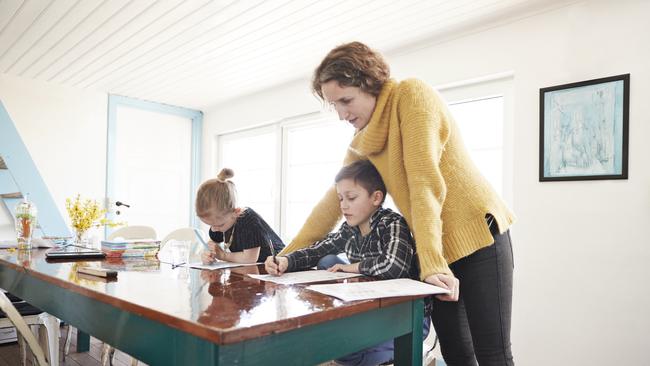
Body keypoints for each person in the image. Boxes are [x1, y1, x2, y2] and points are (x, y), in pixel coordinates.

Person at [280, 41, 516, 366]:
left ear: (370, 82)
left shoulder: (411, 95)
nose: (341, 114)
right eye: (334, 105)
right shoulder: (364, 140)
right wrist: (285, 258)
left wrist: (432, 264)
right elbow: (330, 203)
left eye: (346, 100)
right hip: (437, 250)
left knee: (492, 353)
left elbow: (424, 183)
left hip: (479, 237)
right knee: (456, 352)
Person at [266, 159, 430, 366]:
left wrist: (353, 267)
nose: (343, 205)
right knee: (338, 346)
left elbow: (394, 266)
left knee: (349, 352)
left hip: (405, 318)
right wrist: (286, 261)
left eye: (351, 197)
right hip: (373, 313)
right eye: (340, 198)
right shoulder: (350, 229)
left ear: (376, 198)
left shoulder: (392, 223)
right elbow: (318, 249)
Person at [197, 168, 284, 264]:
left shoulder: (249, 221)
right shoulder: (220, 222)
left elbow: (249, 258)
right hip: (253, 269)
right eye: (210, 225)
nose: (214, 229)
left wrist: (222, 255)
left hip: (276, 264)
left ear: (236, 212)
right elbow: (212, 244)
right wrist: (207, 254)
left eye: (219, 225)